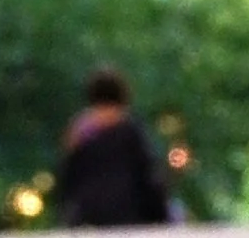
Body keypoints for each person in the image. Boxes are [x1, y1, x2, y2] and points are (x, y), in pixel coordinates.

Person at [52, 65, 172, 228]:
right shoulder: (130, 129)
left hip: (88, 215)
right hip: (130, 212)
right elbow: (149, 175)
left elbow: (67, 177)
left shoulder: (79, 131)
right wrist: (162, 216)